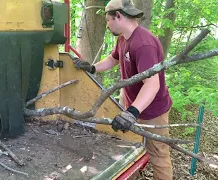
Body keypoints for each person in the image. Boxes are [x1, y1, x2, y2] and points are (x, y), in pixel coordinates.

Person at [73, 0, 173, 179]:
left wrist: (132, 112)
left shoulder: (144, 44)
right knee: (133, 150)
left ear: (118, 16)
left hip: (152, 111)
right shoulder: (123, 38)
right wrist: (92, 68)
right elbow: (113, 59)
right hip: (134, 108)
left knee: (158, 155)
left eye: (108, 20)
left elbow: (152, 84)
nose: (107, 24)